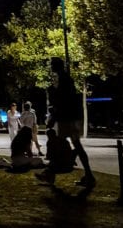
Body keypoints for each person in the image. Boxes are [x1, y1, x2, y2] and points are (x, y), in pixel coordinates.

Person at [37, 57, 95, 188]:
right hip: (69, 117)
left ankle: (50, 173)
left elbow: (63, 101)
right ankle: (88, 175)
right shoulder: (65, 79)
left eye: (52, 64)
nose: (50, 67)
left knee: (59, 145)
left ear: (57, 66)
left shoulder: (63, 80)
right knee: (74, 146)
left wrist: (54, 116)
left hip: (66, 118)